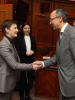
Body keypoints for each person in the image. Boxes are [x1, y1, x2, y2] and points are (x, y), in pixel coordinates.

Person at [34, 8, 75, 100]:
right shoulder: (61, 34)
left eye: (51, 19)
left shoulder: (73, 33)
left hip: (72, 84)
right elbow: (58, 56)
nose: (50, 23)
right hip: (65, 84)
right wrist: (43, 63)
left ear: (60, 18)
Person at [0, 19, 38, 100]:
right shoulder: (4, 45)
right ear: (7, 29)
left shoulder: (10, 42)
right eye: (15, 28)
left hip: (10, 80)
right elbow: (14, 65)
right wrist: (31, 66)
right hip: (5, 81)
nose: (17, 30)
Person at [15, 22, 37, 100]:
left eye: (28, 28)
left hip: (31, 60)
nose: (27, 30)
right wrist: (25, 52)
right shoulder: (19, 38)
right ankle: (21, 96)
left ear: (30, 29)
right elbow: (16, 51)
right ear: (22, 29)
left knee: (30, 79)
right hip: (22, 61)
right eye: (25, 28)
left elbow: (35, 49)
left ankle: (27, 95)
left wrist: (33, 51)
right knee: (23, 79)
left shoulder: (33, 38)